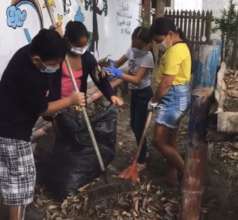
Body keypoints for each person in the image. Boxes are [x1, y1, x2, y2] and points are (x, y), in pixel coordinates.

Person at [0, 29, 85, 220]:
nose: (57, 67)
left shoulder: (27, 52)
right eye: (54, 64)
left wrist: (58, 37)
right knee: (21, 186)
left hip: (6, 125)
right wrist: (71, 100)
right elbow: (44, 109)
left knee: (9, 180)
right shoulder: (29, 77)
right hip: (12, 134)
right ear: (38, 60)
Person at [103, 26, 155, 170]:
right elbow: (118, 63)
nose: (135, 48)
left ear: (147, 44)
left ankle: (142, 159)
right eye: (134, 43)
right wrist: (109, 66)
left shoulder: (148, 57)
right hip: (135, 94)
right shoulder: (131, 50)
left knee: (139, 126)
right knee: (134, 125)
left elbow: (137, 79)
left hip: (144, 94)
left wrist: (118, 74)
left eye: (139, 45)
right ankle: (144, 151)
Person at [150, 17, 192, 186]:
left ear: (170, 34)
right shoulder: (179, 47)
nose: (159, 44)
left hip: (173, 98)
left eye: (159, 40)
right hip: (176, 96)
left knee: (158, 141)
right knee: (170, 140)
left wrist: (154, 100)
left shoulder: (175, 50)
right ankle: (172, 177)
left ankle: (188, 175)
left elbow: (167, 82)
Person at [50, 21, 123, 106]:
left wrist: (111, 95)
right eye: (78, 46)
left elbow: (100, 79)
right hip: (57, 104)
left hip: (78, 105)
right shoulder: (58, 54)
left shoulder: (88, 59)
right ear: (68, 41)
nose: (82, 49)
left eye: (84, 46)